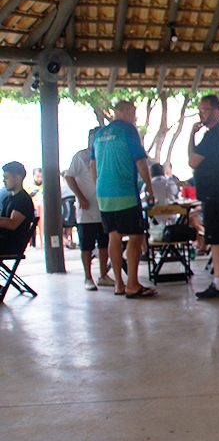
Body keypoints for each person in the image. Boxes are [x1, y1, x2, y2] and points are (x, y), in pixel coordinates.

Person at [91, 100, 156, 298]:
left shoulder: (99, 134)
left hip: (104, 195)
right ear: (126, 112)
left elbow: (92, 165)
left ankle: (118, 283)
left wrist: (99, 186)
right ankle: (133, 284)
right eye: (134, 113)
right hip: (125, 192)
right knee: (135, 236)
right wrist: (149, 187)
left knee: (114, 237)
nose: (135, 118)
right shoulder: (128, 131)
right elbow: (140, 161)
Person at [189, 94, 219, 299]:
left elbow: (192, 161)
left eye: (204, 110)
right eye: (199, 110)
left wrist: (191, 136)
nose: (201, 114)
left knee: (216, 239)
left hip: (215, 193)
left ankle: (218, 284)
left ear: (215, 111)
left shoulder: (213, 136)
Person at [66, 128, 114, 290]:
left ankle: (103, 275)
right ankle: (88, 277)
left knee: (104, 243)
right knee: (87, 245)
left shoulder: (106, 155)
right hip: (87, 210)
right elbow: (69, 176)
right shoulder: (80, 156)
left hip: (104, 206)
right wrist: (81, 198)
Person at [0, 161, 35, 256]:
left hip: (10, 244)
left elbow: (12, 224)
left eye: (6, 178)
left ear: (17, 178)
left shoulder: (23, 200)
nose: (3, 181)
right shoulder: (8, 199)